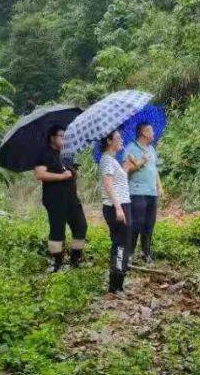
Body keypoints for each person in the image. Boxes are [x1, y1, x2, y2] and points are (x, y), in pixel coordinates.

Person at [34, 125, 87, 273]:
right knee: (57, 230)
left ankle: (75, 260)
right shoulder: (44, 153)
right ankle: (56, 263)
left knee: (81, 226)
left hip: (71, 198)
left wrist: (74, 172)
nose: (64, 139)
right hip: (55, 199)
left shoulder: (67, 154)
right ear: (52, 137)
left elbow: (70, 172)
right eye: (61, 136)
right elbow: (40, 174)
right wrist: (61, 176)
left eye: (66, 136)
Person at [98, 130, 133, 294]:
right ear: (109, 140)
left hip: (121, 205)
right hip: (116, 207)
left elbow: (118, 181)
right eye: (118, 138)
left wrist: (125, 167)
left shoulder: (112, 160)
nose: (121, 140)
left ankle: (118, 282)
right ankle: (115, 285)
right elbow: (108, 185)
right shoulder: (106, 160)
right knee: (121, 245)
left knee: (122, 243)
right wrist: (119, 208)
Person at [126, 122, 163, 262]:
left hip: (151, 192)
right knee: (137, 222)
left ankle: (146, 253)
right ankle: (129, 253)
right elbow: (127, 169)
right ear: (143, 133)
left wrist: (160, 186)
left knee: (149, 223)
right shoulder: (131, 148)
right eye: (151, 131)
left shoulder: (151, 149)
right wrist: (141, 161)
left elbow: (154, 169)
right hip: (137, 191)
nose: (153, 134)